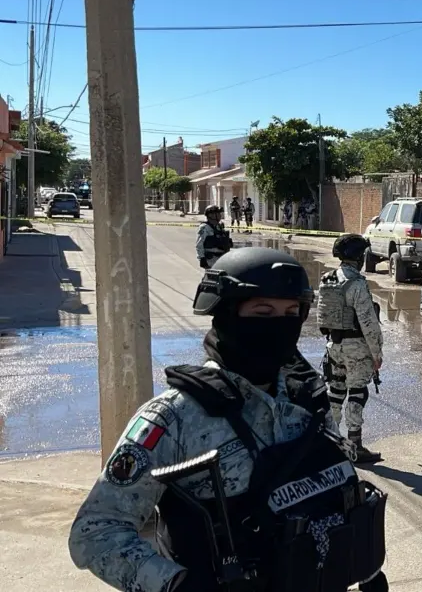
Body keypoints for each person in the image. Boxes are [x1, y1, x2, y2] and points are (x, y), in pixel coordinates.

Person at [68, 247, 389, 592]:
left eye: (291, 312)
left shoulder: (306, 399)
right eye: (263, 312)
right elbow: (96, 533)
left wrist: (364, 567)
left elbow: (334, 495)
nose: (280, 325)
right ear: (226, 313)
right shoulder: (175, 418)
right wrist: (176, 585)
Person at [317, 234, 385, 464]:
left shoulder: (328, 279)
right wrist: (376, 353)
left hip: (334, 345)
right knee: (357, 393)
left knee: (335, 392)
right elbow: (368, 322)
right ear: (358, 256)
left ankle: (330, 443)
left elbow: (323, 316)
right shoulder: (356, 283)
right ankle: (355, 446)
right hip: (356, 347)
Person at [194, 204, 232, 269]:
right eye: (217, 213)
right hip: (212, 258)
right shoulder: (205, 227)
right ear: (210, 215)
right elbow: (199, 244)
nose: (220, 215)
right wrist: (202, 258)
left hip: (222, 257)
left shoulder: (219, 226)